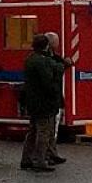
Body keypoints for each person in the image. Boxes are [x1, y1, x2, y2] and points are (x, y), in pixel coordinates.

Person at [20, 35, 58, 172]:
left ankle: (26, 159)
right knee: (43, 131)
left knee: (32, 131)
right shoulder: (41, 62)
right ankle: (40, 160)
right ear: (46, 46)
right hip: (42, 102)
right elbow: (47, 82)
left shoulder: (30, 59)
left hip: (31, 101)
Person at [44, 32, 70, 165]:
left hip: (54, 98)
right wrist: (65, 64)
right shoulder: (47, 59)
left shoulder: (52, 57)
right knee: (49, 129)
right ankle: (48, 155)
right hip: (51, 99)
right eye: (57, 41)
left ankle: (52, 153)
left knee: (52, 129)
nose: (58, 44)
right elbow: (57, 70)